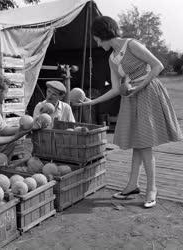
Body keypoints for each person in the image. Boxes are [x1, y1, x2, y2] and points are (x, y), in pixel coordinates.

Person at [74, 16, 183, 208]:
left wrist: (139, 86)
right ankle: (133, 185)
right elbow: (116, 88)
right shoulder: (112, 58)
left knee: (145, 143)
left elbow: (158, 66)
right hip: (132, 97)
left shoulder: (131, 45)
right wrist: (93, 101)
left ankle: (152, 189)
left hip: (148, 92)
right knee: (137, 142)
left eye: (97, 39)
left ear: (103, 34)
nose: (97, 43)